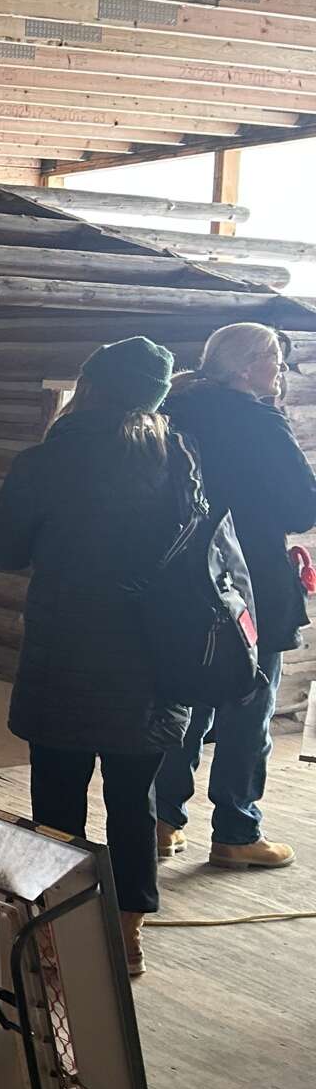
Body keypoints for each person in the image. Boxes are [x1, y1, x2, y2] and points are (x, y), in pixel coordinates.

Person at [0, 337, 193, 976]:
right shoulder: (178, 458)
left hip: (65, 652)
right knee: (137, 802)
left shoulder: (46, 460)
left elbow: (6, 550)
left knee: (56, 801)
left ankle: (56, 934)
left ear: (91, 386)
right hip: (152, 659)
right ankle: (128, 935)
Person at [155, 324, 316, 870]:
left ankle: (161, 821)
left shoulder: (174, 409)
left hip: (183, 576)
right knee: (250, 707)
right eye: (275, 363)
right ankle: (236, 831)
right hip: (250, 581)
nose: (280, 374)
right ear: (248, 368)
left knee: (187, 700)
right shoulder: (259, 420)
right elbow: (301, 509)